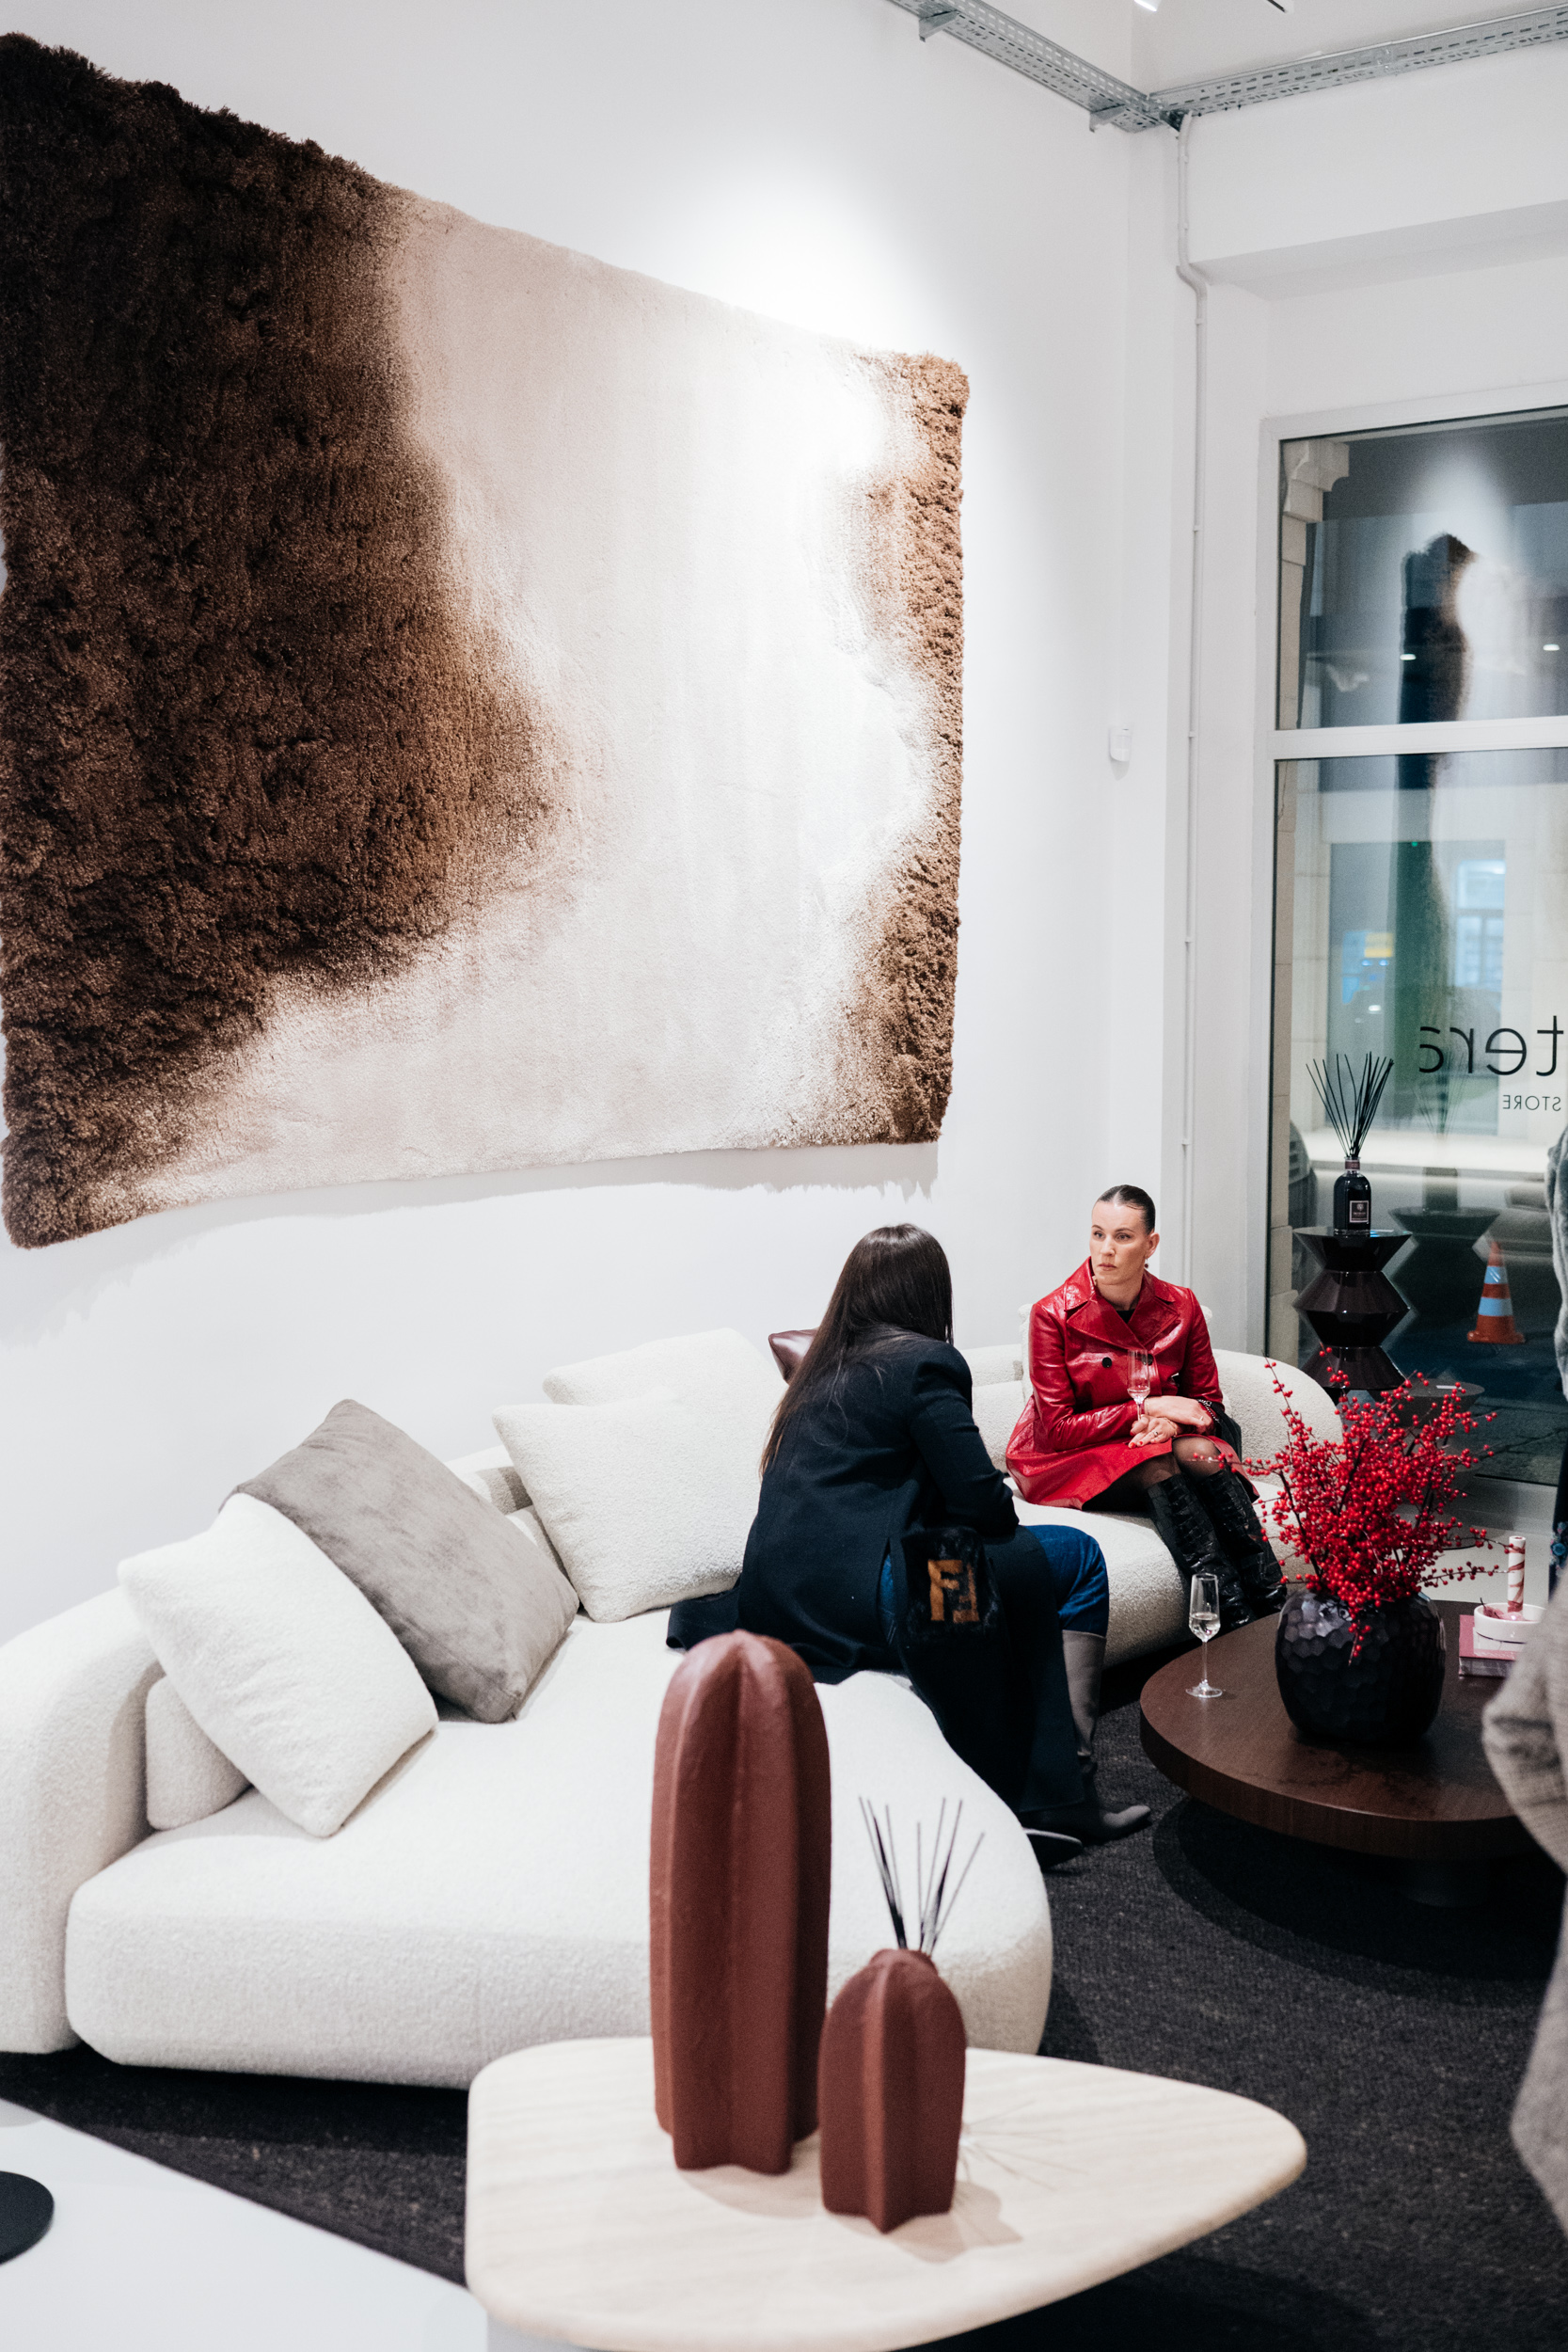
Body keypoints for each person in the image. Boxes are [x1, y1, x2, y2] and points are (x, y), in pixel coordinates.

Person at [684, 1223, 1148, 1857]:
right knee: (1077, 1557)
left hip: (781, 1597)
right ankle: (1066, 1789)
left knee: (974, 1569)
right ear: (930, 1293)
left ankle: (1045, 1787)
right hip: (866, 1592)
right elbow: (983, 1505)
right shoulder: (925, 1362)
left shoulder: (819, 1367)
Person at [1006, 1184, 1284, 1632]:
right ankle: (1232, 1622)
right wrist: (1148, 1407)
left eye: (1122, 1237)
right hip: (1068, 1455)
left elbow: (1207, 1405)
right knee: (1157, 1465)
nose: (1106, 1250)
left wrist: (1169, 1423)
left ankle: (1273, 1612)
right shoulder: (1052, 1314)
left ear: (1151, 1244)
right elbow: (1058, 1428)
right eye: (1098, 1234)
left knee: (1203, 1453)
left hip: (1155, 1440)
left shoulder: (1182, 1306)